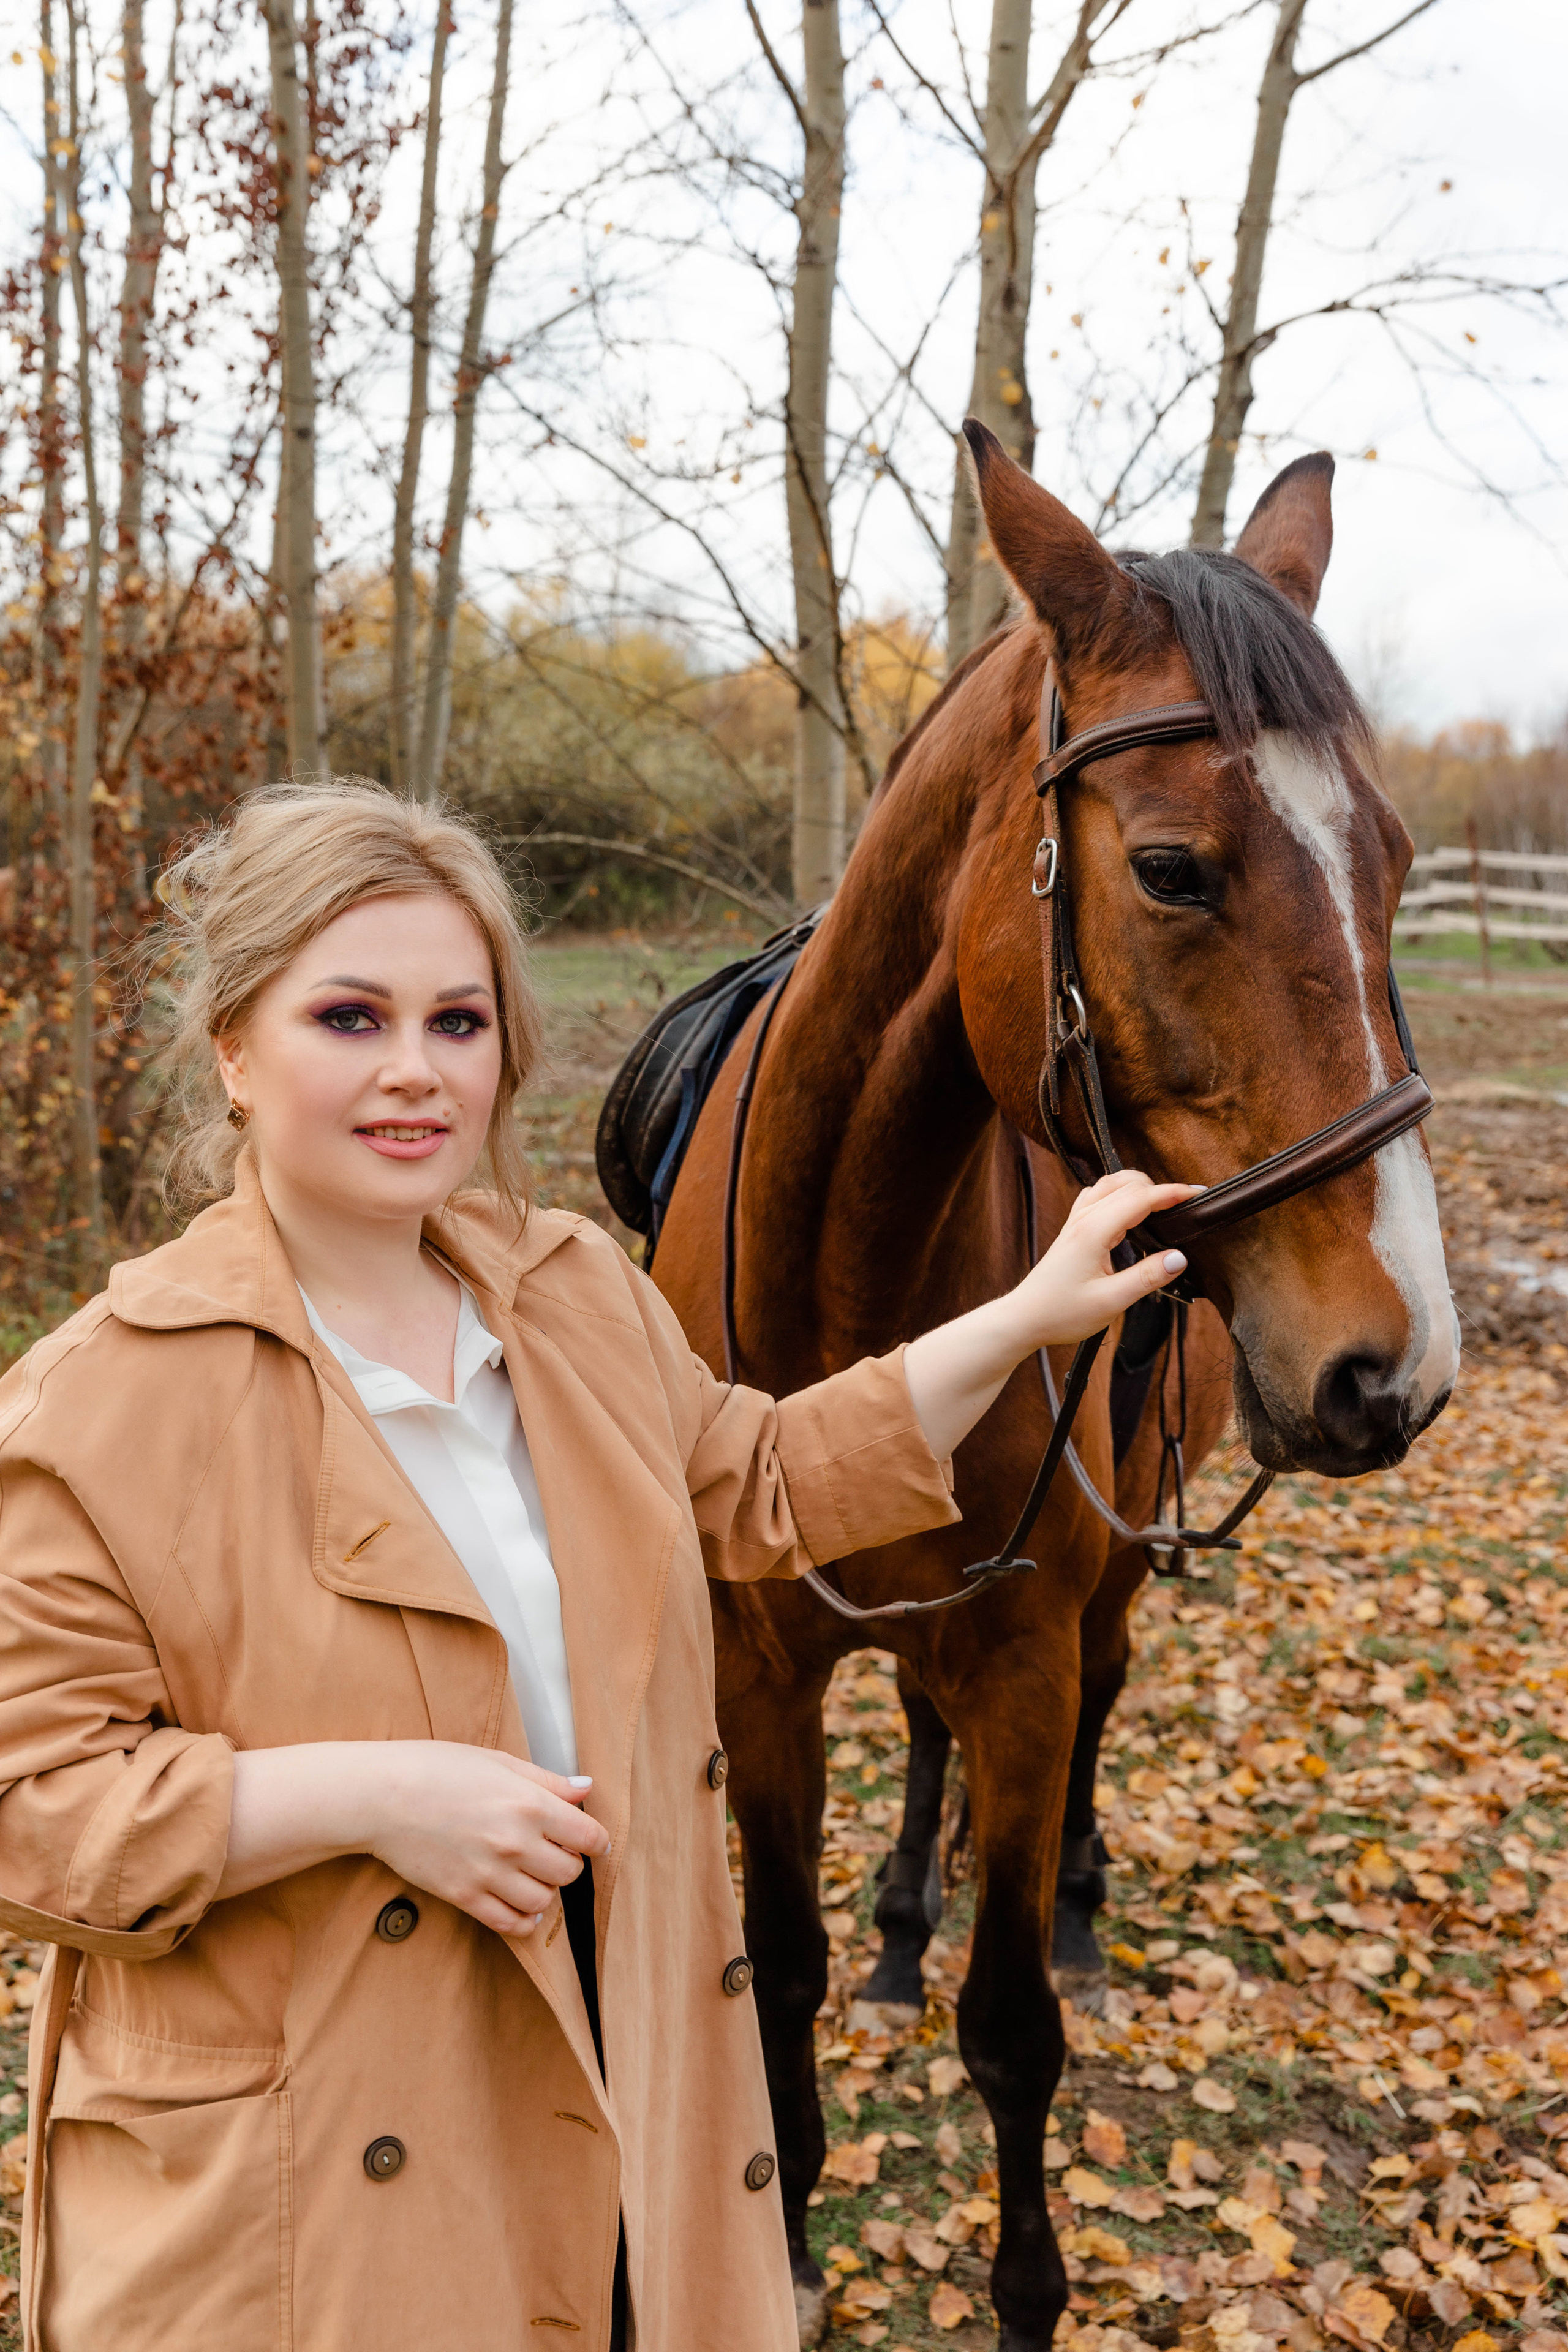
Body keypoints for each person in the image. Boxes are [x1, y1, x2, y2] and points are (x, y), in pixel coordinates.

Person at [0, 783, 1194, 2352]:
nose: (417, 1072)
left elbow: (757, 1476)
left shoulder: (567, 1297)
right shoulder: (102, 1398)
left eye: (460, 1019)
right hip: (318, 2154)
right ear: (234, 1048)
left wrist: (1027, 1315)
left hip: (633, 2042)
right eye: (348, 1018)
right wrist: (373, 1799)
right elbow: (32, 1807)